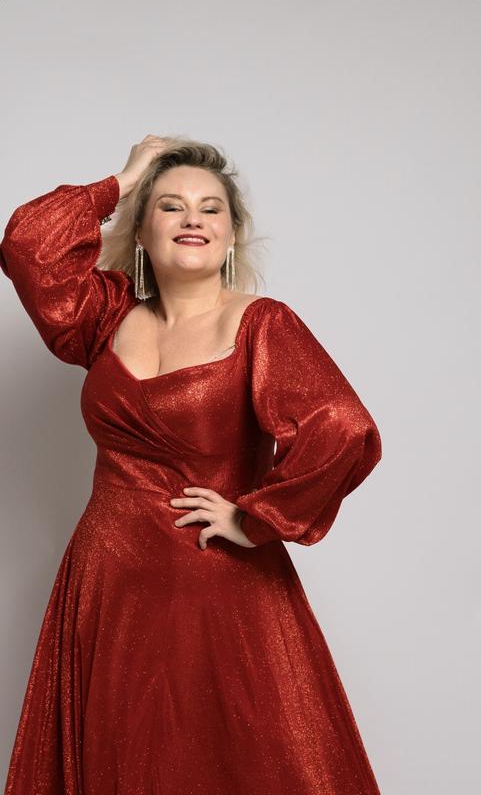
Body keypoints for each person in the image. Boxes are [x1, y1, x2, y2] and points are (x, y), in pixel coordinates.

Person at [0, 134, 383, 794]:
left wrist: (255, 519)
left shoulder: (261, 324)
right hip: (107, 583)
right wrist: (121, 182)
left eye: (211, 209)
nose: (192, 219)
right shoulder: (105, 316)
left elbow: (342, 428)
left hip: (215, 584)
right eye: (170, 205)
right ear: (141, 231)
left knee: (233, 761)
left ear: (231, 235)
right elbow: (28, 244)